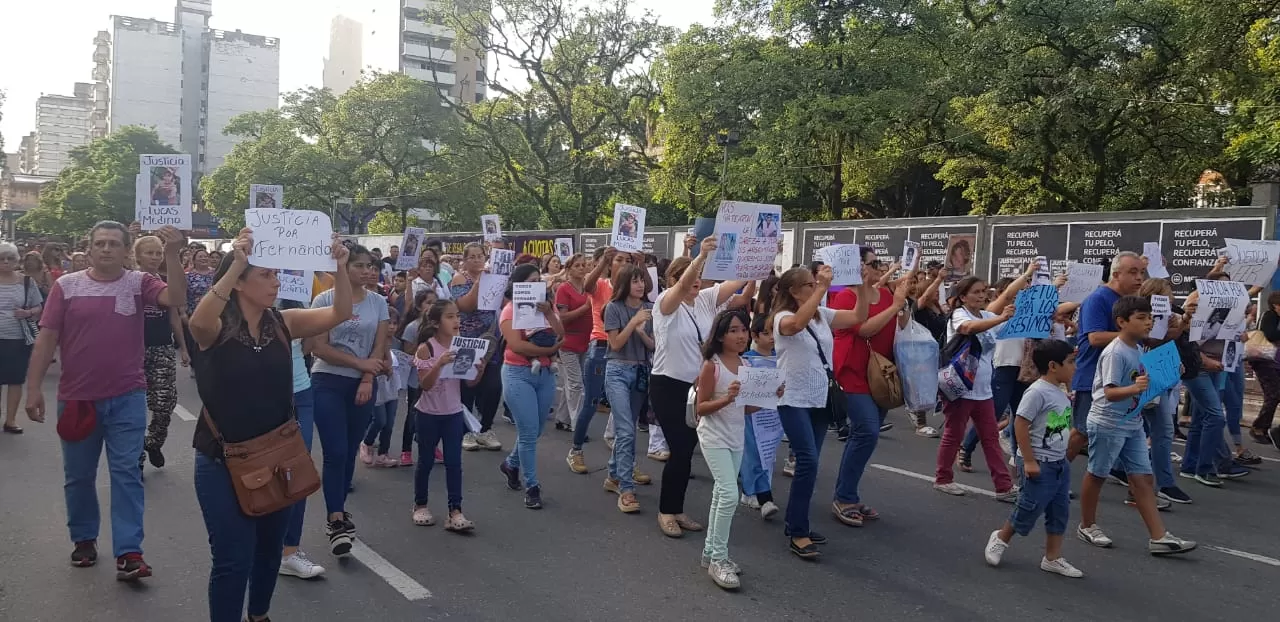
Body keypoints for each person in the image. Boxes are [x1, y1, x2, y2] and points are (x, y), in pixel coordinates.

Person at [188, 230, 352, 621]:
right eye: (266, 275)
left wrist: (340, 267)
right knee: (232, 559)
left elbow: (339, 313)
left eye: (277, 274)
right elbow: (197, 322)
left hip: (280, 457)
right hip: (222, 461)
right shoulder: (215, 328)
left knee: (268, 551)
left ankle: (258, 615)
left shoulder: (284, 322)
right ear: (240, 281)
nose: (276, 282)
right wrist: (237, 261)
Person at [25, 221, 188, 581]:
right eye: (100, 243)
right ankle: (84, 538)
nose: (106, 249)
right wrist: (33, 388)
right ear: (90, 247)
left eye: (114, 244)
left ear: (125, 250)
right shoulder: (67, 286)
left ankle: (129, 551)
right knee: (79, 476)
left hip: (127, 396)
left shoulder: (139, 283)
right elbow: (47, 338)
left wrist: (173, 255)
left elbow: (175, 299)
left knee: (126, 474)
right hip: (78, 398)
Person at [1075, 296, 1196, 556]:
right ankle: (1087, 525)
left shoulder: (1139, 348)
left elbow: (1145, 382)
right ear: (1121, 322)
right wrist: (1134, 388)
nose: (1148, 323)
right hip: (1108, 421)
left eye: (1149, 317)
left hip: (1132, 422)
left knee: (1143, 477)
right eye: (1141, 318)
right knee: (1097, 474)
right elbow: (1109, 392)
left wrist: (1170, 372)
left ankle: (1159, 536)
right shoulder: (1115, 352)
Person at [651, 238, 749, 539]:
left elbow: (738, 283)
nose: (695, 282)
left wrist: (756, 256)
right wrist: (700, 255)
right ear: (674, 279)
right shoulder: (666, 302)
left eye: (697, 278)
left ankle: (677, 508)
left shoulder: (706, 299)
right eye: (688, 278)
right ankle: (666, 511)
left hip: (697, 387)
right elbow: (681, 288)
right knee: (679, 448)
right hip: (668, 385)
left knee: (686, 451)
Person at [771, 265, 869, 558]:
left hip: (820, 398)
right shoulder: (781, 318)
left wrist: (861, 287)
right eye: (809, 285)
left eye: (816, 283)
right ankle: (798, 531)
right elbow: (796, 325)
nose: (815, 286)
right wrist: (823, 289)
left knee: (809, 466)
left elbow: (858, 317)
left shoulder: (821, 315)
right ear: (793, 291)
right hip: (792, 397)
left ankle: (796, 522)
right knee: (808, 461)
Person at [310, 244, 390, 556]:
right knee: (336, 451)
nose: (368, 271)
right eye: (359, 265)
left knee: (348, 454)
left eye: (371, 265)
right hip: (327, 380)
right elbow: (319, 347)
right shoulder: (324, 300)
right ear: (344, 268)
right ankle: (336, 520)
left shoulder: (379, 303)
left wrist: (368, 378)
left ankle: (339, 510)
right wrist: (361, 367)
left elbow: (379, 346)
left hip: (363, 386)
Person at [695, 308, 781, 590]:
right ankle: (719, 559)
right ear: (720, 335)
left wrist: (771, 395)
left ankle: (710, 553)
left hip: (736, 438)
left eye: (743, 329)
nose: (741, 335)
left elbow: (747, 408)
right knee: (730, 494)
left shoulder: (747, 364)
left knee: (722, 494)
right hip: (714, 437)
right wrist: (727, 398)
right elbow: (701, 408)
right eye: (733, 330)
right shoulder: (712, 365)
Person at [982, 339, 1083, 578]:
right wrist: (1028, 460)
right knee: (1029, 507)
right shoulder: (1037, 392)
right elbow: (1020, 424)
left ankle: (1053, 557)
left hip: (1059, 463)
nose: (1075, 367)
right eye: (1070, 362)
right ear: (1052, 366)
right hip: (1039, 462)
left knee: (1060, 511)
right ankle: (1001, 537)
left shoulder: (1060, 389)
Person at [830, 248, 913, 526]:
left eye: (879, 262)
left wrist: (902, 307)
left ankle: (848, 493)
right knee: (866, 430)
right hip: (854, 373)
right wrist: (893, 308)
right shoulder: (846, 296)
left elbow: (899, 327)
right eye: (873, 263)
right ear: (857, 268)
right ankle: (844, 497)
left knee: (865, 435)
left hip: (881, 375)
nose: (879, 266)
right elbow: (864, 329)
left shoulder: (887, 295)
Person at [933, 276, 1020, 502]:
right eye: (976, 292)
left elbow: (1008, 295)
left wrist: (1028, 274)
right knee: (954, 434)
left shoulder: (989, 316)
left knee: (990, 437)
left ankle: (1004, 486)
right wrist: (1001, 317)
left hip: (983, 390)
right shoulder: (960, 315)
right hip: (960, 387)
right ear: (963, 297)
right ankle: (943, 478)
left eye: (984, 291)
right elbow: (969, 328)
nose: (982, 295)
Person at [497, 263, 565, 509]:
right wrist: (549, 351)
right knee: (527, 433)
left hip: (545, 374)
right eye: (531, 280)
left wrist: (548, 314)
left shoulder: (548, 305)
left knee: (535, 430)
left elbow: (561, 333)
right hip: (518, 374)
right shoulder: (509, 310)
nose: (536, 285)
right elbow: (517, 346)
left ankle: (511, 464)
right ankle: (532, 486)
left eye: (539, 280)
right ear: (518, 285)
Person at [412, 299, 479, 530]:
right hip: (428, 413)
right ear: (436, 322)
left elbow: (469, 383)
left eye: (458, 316)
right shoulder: (427, 348)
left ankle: (455, 511)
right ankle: (420, 504)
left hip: (452, 412)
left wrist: (479, 369)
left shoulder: (463, 345)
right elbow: (426, 385)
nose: (456, 321)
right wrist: (439, 363)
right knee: (426, 461)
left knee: (454, 462)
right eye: (450, 317)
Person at [601, 264, 656, 513]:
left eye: (642, 280)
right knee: (625, 430)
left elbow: (653, 346)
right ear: (624, 284)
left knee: (629, 427)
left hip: (641, 371)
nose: (640, 285)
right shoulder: (613, 308)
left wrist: (642, 333)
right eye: (635, 281)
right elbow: (615, 343)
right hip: (617, 371)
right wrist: (633, 321)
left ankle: (613, 475)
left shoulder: (650, 309)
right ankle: (626, 488)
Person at [132, 235, 189, 470]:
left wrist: (183, 347)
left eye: (158, 253)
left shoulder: (165, 282)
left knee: (165, 403)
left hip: (162, 348)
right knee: (134, 406)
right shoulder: (129, 280)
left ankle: (153, 442)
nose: (154, 257)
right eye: (149, 253)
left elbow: (174, 317)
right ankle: (136, 458)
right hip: (134, 350)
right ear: (137, 256)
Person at [451, 242, 504, 451]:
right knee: (466, 388)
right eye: (471, 256)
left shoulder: (494, 277)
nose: (476, 260)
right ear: (465, 260)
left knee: (493, 386)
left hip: (490, 339)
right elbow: (466, 305)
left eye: (479, 255)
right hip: (467, 339)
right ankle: (466, 431)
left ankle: (485, 428)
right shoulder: (459, 279)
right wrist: (480, 281)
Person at [739, 313, 781, 519]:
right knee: (754, 453)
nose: (771, 337)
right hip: (752, 416)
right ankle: (760, 495)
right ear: (754, 336)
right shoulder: (747, 361)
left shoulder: (780, 359)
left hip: (772, 416)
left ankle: (755, 490)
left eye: (774, 332)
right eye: (766, 333)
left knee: (769, 454)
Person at [0, 242, 43, 434]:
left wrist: (27, 313)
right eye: (1, 259)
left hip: (17, 338)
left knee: (15, 380)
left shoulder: (26, 282)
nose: (6, 262)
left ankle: (10, 420)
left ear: (16, 260)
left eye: (10, 258)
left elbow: (39, 308)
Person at [400, 289, 440, 467]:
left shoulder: (440, 327)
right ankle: (406, 450)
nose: (432, 306)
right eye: (428, 302)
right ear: (418, 306)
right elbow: (408, 351)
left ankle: (431, 446)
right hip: (416, 380)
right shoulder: (412, 327)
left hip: (436, 379)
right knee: (412, 415)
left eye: (435, 302)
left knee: (434, 414)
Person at [360, 307, 404, 468]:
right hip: (377, 388)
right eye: (388, 323)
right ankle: (366, 442)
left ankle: (383, 454)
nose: (392, 327)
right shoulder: (374, 342)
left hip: (392, 387)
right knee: (380, 420)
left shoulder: (398, 343)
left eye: (395, 323)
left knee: (390, 423)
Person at [555, 254, 592, 440]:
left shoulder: (588, 287)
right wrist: (585, 308)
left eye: (584, 265)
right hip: (568, 341)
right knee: (576, 383)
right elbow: (563, 317)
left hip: (586, 341)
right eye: (577, 265)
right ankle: (577, 425)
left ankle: (562, 418)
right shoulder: (564, 289)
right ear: (569, 269)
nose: (581, 268)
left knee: (573, 382)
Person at [1250, 291, 1280, 447]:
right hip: (1264, 361)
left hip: (1274, 362)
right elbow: (1269, 334)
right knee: (1273, 394)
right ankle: (1258, 428)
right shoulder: (1269, 316)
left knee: (1275, 395)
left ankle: (1268, 428)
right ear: (1275, 305)